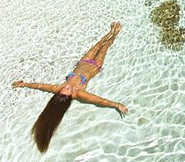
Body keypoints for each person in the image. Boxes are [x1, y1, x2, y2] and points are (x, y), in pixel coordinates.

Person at [12, 21, 128, 153]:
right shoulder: (78, 94)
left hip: (84, 61)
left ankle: (109, 32)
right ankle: (115, 34)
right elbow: (99, 100)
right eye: (67, 91)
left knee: (97, 45)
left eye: (63, 90)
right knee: (105, 47)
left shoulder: (59, 89)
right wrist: (117, 105)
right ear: (68, 98)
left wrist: (24, 84)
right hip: (96, 66)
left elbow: (40, 86)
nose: (66, 88)